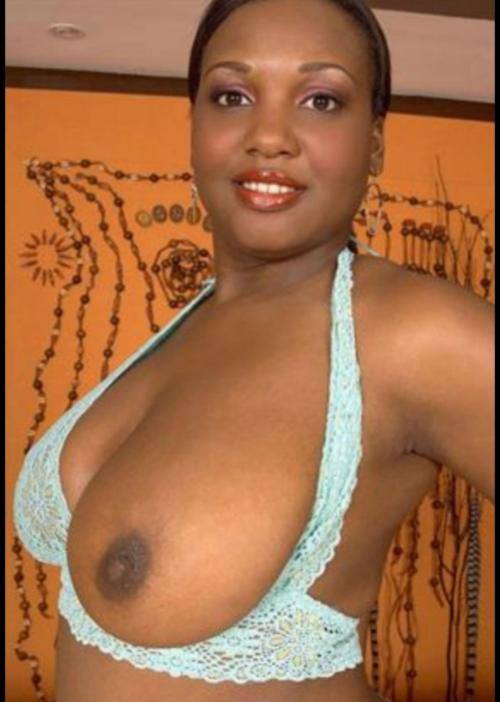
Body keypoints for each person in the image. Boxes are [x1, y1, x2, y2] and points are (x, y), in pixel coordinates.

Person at [13, 0, 494, 700]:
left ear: (375, 144)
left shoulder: (413, 334)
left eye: (322, 99)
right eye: (232, 96)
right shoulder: (195, 320)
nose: (268, 137)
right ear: (195, 127)